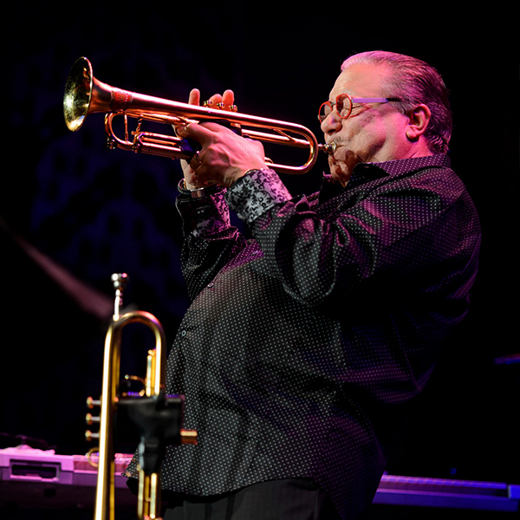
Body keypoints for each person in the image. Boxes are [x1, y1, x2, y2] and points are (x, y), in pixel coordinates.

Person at [126, 50, 481, 519]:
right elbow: (210, 282)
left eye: (345, 107)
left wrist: (249, 174)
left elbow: (324, 271)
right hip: (198, 456)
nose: (328, 125)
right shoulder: (319, 206)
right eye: (326, 109)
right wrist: (204, 192)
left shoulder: (436, 197)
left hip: (287, 456)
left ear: (414, 119)